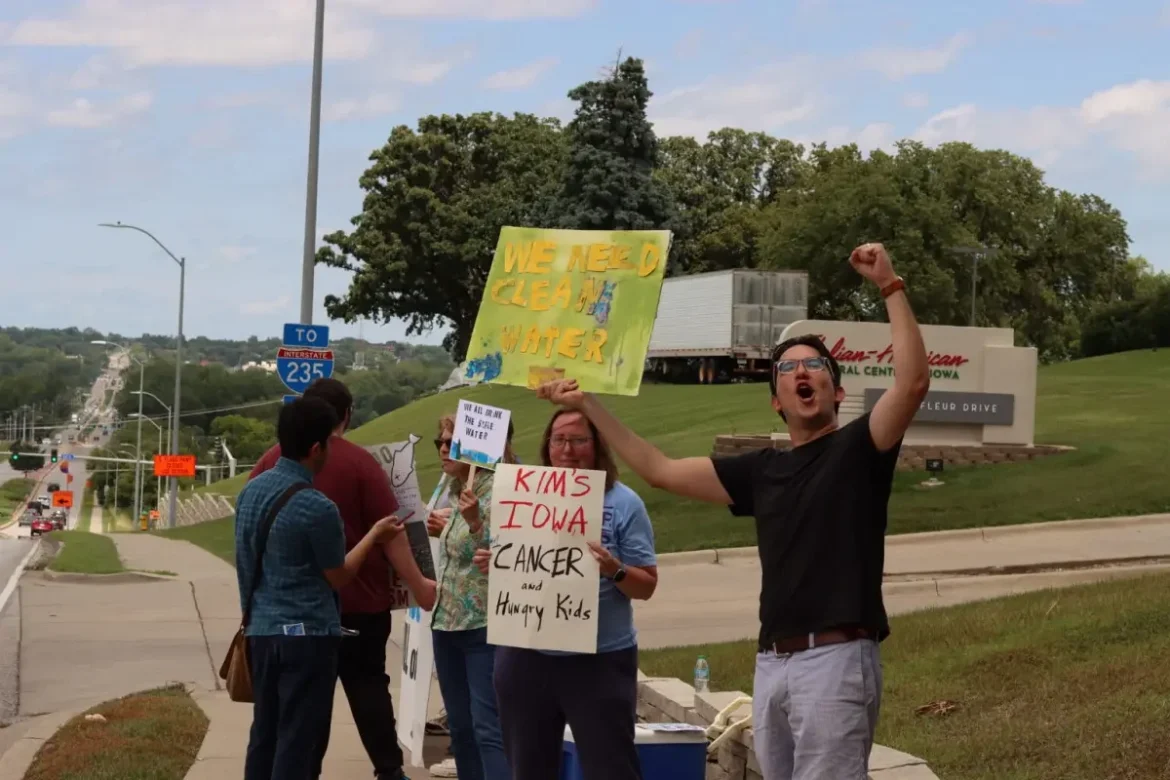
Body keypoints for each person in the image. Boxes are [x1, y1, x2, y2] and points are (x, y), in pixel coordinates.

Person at [537, 243, 930, 780]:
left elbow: (911, 383)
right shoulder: (760, 470)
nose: (801, 373)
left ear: (836, 391)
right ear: (776, 401)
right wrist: (588, 407)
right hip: (772, 663)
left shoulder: (861, 449)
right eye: (787, 369)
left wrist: (890, 284)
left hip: (836, 662)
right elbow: (659, 469)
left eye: (813, 365)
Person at [249, 378, 435, 780]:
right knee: (368, 688)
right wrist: (419, 585)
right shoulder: (360, 464)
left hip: (278, 616)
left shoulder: (266, 466)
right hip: (355, 605)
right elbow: (392, 534)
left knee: (291, 716)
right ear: (345, 415)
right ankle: (389, 770)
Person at [474, 408, 659, 780]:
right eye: (559, 439)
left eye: (579, 440)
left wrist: (615, 568)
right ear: (547, 445)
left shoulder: (624, 504)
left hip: (599, 660)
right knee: (528, 769)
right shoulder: (521, 497)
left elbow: (647, 586)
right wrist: (497, 564)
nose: (567, 449)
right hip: (525, 656)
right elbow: (520, 562)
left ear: (597, 445)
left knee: (611, 769)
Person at [427, 414, 514, 780]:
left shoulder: (501, 490)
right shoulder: (451, 486)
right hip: (446, 622)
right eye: (440, 442)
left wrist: (476, 523)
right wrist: (443, 528)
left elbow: (506, 557)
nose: (443, 449)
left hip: (483, 624)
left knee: (487, 728)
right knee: (460, 729)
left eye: (452, 442)